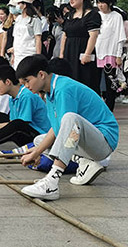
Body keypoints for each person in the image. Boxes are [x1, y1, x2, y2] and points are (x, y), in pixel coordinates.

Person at [17, 55, 119, 201]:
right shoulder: (50, 92)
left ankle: (51, 182)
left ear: (41, 74)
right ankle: (87, 162)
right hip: (88, 142)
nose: (26, 86)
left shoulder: (63, 89)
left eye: (27, 81)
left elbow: (69, 126)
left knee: (71, 119)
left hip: (104, 142)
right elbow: (58, 129)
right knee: (39, 140)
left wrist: (38, 153)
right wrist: (36, 151)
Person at [60, 0, 101, 94]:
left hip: (83, 51)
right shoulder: (69, 15)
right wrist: (61, 54)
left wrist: (87, 54)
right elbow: (64, 35)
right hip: (69, 52)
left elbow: (93, 36)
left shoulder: (92, 15)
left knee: (85, 80)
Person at [95, 0, 126, 112]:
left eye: (103, 3)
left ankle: (109, 110)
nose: (100, 5)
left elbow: (120, 37)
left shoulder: (116, 16)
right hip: (97, 52)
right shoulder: (96, 15)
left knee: (110, 84)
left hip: (110, 53)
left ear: (109, 3)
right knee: (96, 82)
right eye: (98, 3)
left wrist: (118, 55)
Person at [11, 0, 42, 69]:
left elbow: (38, 39)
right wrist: (13, 55)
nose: (17, 6)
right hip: (18, 53)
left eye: (19, 3)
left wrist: (38, 57)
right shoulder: (18, 19)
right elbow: (16, 38)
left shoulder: (34, 20)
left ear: (24, 5)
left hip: (29, 52)